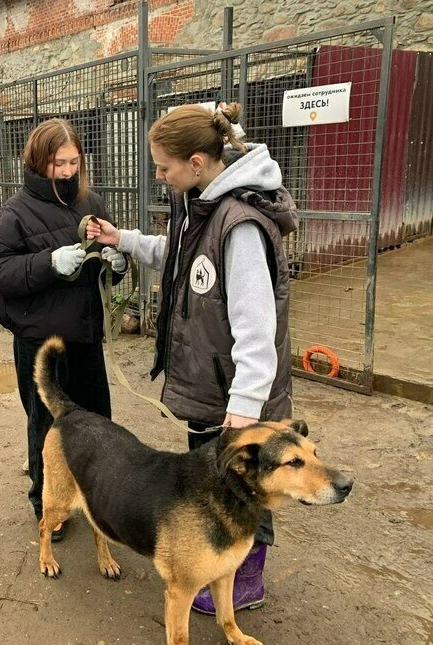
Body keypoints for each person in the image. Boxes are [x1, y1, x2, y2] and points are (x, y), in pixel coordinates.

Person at [86, 102, 298, 614]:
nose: (159, 176)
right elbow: (177, 254)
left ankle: (246, 579)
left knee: (250, 485)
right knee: (216, 486)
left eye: (164, 166)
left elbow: (257, 330)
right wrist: (124, 240)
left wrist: (246, 404)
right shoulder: (199, 203)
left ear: (198, 163)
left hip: (236, 395)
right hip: (210, 386)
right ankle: (218, 562)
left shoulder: (240, 226)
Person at [0, 118, 128, 542]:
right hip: (41, 343)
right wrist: (47, 262)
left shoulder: (91, 202)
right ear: (38, 161)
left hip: (85, 337)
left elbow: (105, 261)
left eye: (74, 161)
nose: (67, 171)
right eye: (59, 163)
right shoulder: (15, 213)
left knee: (98, 424)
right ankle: (47, 504)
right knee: (48, 428)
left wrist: (117, 266)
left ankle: (97, 498)